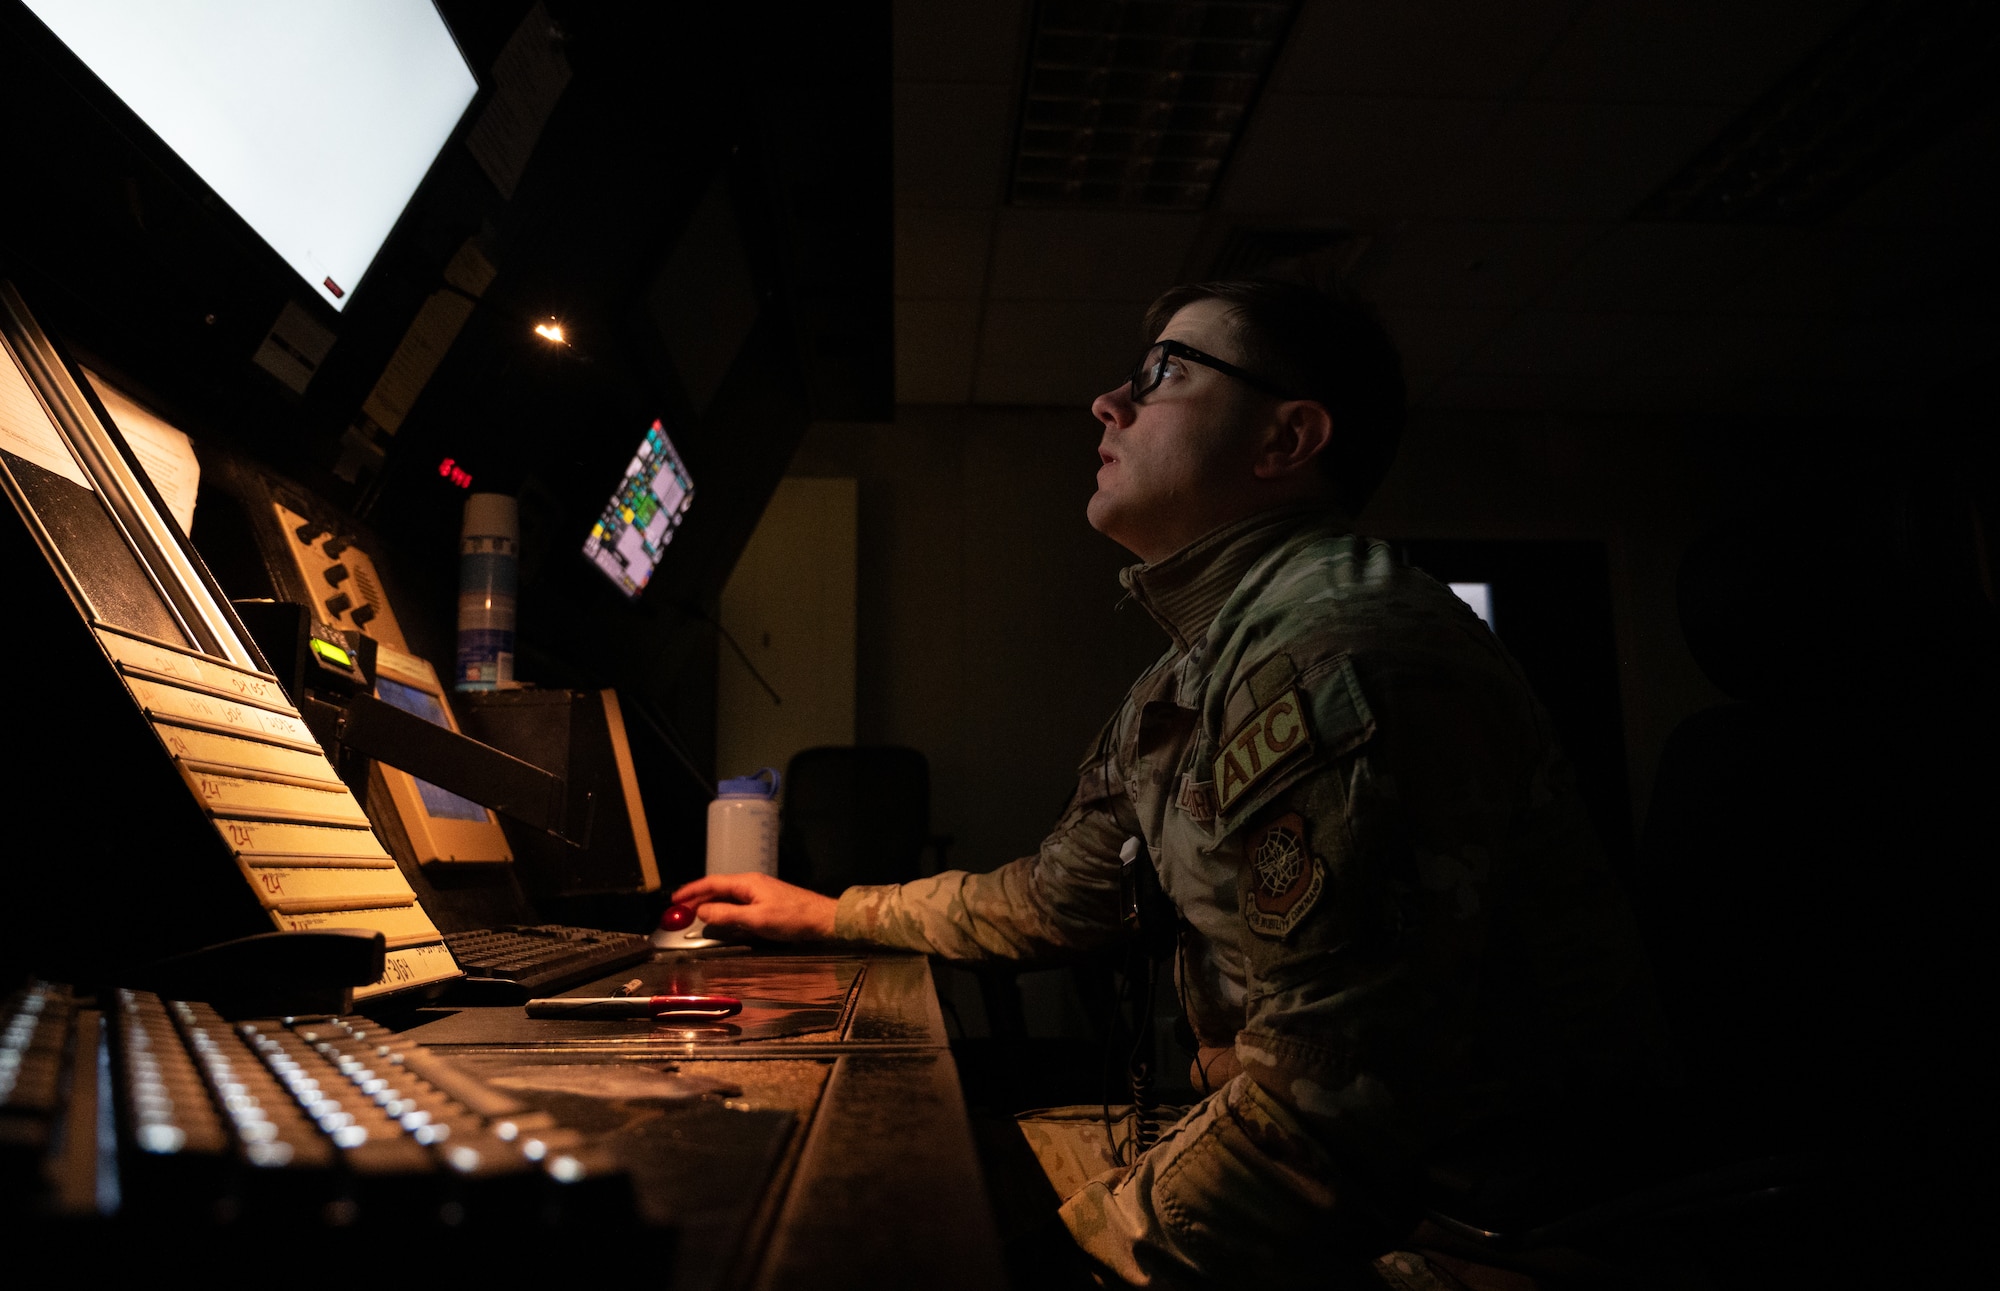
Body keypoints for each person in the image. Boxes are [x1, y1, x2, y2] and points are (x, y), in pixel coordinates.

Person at [674, 280, 1668, 1287]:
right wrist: (831, 913)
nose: (1108, 403)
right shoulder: (1199, 665)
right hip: (1328, 1175)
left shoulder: (1344, 659)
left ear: (1286, 438)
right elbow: (1055, 896)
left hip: (1458, 1233)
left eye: (1163, 373)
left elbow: (1327, 1113)